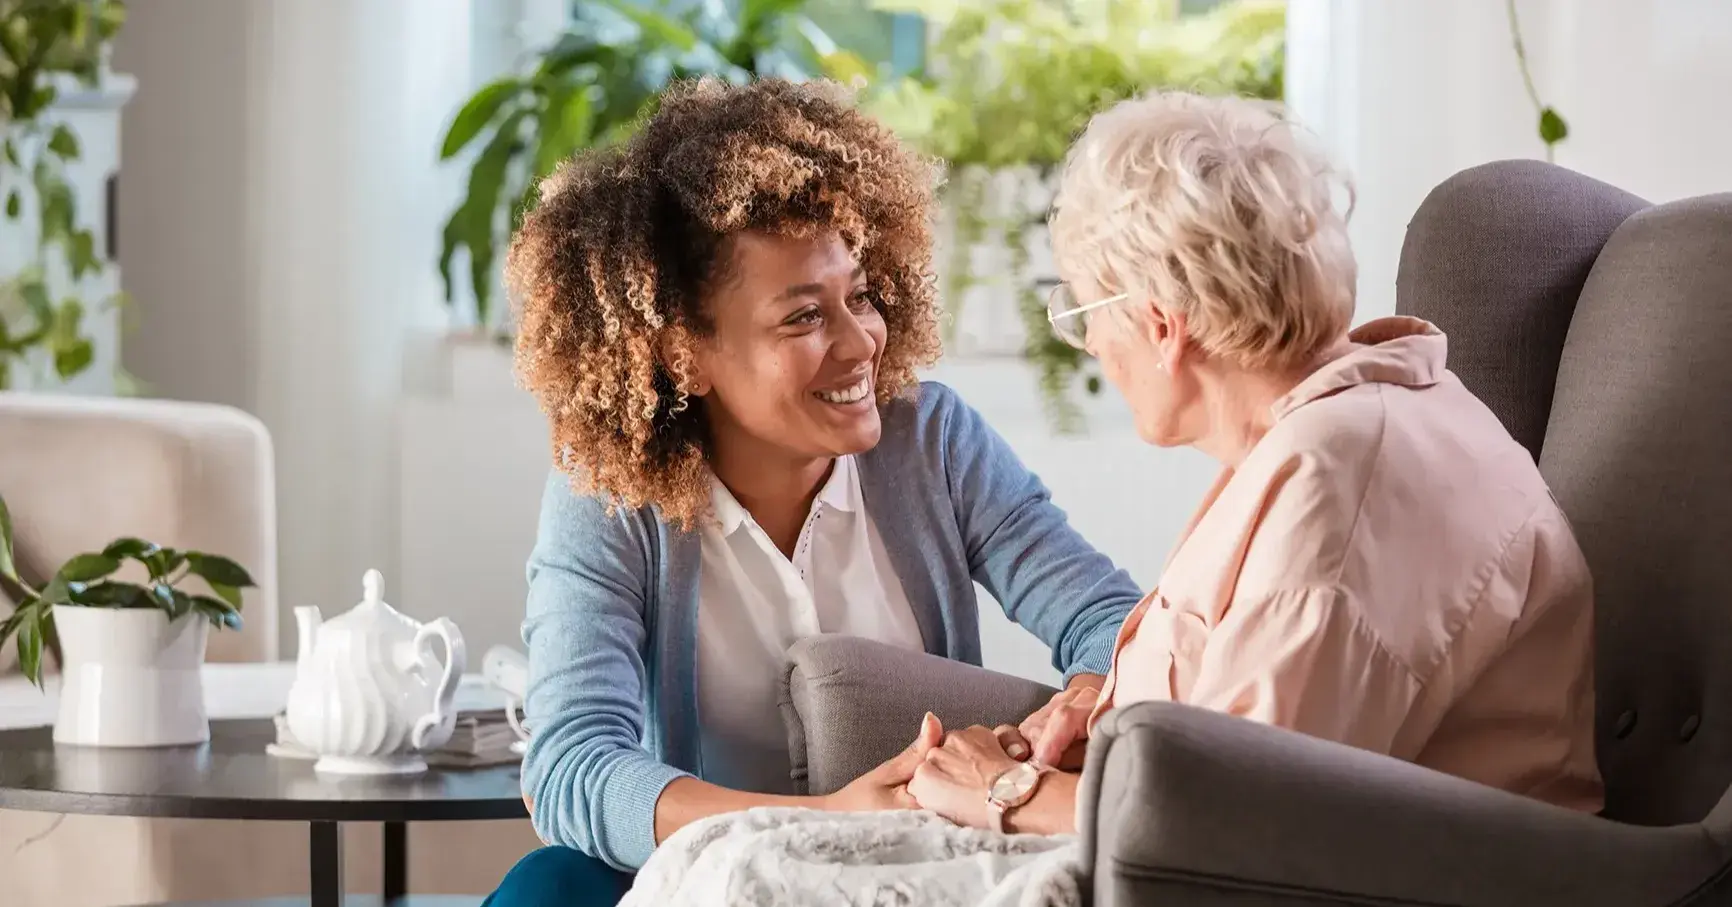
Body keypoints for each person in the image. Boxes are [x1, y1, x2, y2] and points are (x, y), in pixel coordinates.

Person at [482, 77, 1143, 906]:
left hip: (914, 865)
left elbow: (1112, 623)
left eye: (858, 297)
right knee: (546, 887)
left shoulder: (932, 442)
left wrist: (1079, 705)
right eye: (802, 317)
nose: (861, 339)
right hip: (704, 873)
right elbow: (574, 764)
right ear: (683, 352)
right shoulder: (611, 496)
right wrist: (815, 817)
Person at [905, 90, 1602, 834]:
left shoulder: (1340, 484)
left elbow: (1239, 826)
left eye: (1082, 314)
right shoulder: (1352, 420)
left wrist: (1006, 791)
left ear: (1161, 324)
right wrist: (1108, 720)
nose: (1095, 347)